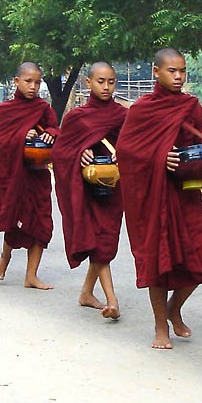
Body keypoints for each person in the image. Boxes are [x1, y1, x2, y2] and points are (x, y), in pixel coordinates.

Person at [115, 47, 202, 349]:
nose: (178, 76)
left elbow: (194, 140)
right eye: (172, 71)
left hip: (185, 193)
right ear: (156, 72)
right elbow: (126, 151)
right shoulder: (142, 109)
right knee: (159, 259)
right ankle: (161, 325)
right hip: (154, 195)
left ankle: (175, 307)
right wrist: (160, 157)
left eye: (182, 71)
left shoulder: (191, 107)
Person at [54, 61, 127, 317]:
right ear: (88, 83)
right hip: (87, 189)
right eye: (100, 81)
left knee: (106, 240)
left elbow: (131, 146)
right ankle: (112, 300)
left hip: (114, 188)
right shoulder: (77, 117)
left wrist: (123, 156)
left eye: (111, 82)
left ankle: (86, 292)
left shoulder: (122, 115)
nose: (106, 87)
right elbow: (62, 151)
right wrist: (79, 152)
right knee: (99, 242)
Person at [0, 62, 58, 289]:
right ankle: (5, 258)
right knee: (14, 219)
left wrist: (48, 134)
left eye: (37, 82)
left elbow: (55, 129)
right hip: (15, 175)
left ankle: (31, 275)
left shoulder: (43, 109)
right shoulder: (3, 111)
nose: (33, 87)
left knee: (41, 222)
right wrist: (20, 135)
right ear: (16, 81)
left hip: (37, 175)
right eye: (28, 81)